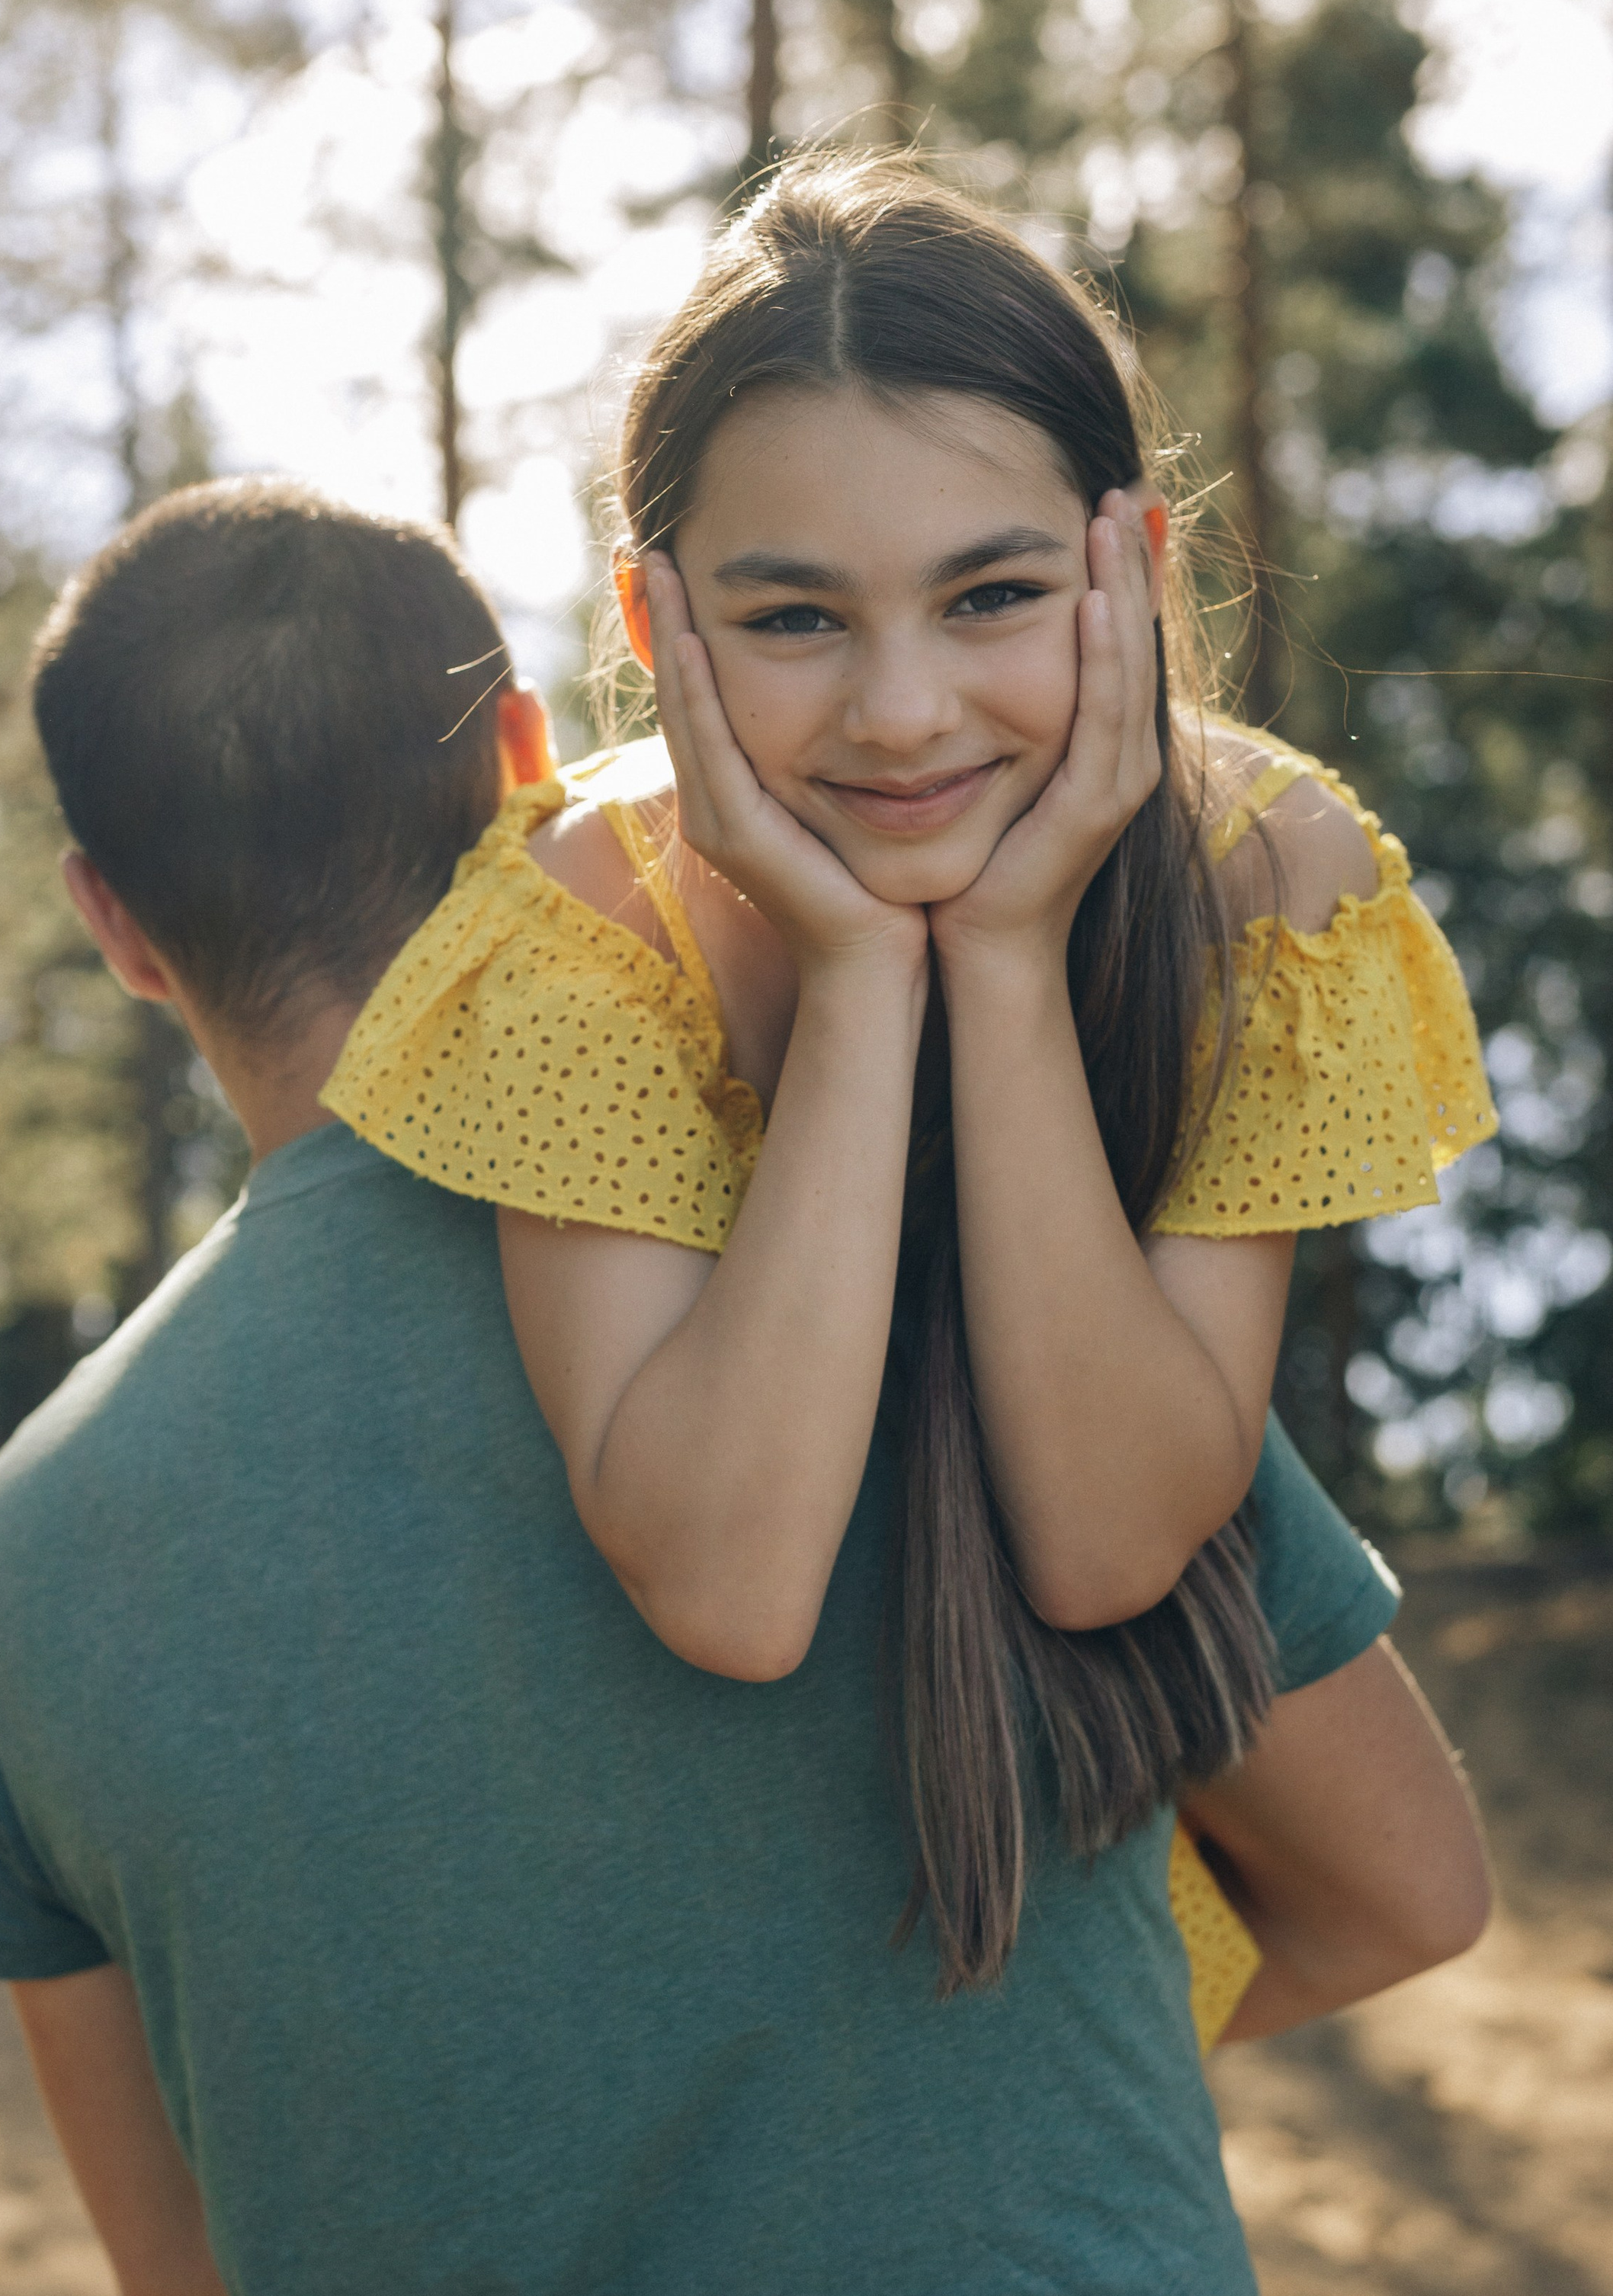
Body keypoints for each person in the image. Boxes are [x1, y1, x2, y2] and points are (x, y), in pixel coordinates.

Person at [0, 473, 1489, 2296]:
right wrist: (938, 2113)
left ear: (115, 918)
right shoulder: (891, 1236)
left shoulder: (25, 1553)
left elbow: (188, 2260)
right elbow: (1401, 1886)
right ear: (528, 769)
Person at [326, 150, 1499, 2000]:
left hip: (1098, 1855)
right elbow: (727, 1588)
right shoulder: (584, 924)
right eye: (794, 618)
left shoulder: (1264, 874)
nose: (899, 715)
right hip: (710, 1890)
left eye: (989, 597)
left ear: (1130, 570)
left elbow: (1107, 1543)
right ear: (653, 629)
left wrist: (1008, 960)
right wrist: (864, 978)